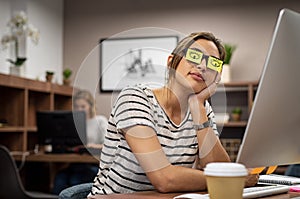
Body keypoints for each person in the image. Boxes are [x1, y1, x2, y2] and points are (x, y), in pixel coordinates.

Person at [88, 32, 258, 197]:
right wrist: (236, 179)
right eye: (195, 55)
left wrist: (198, 106)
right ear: (171, 62)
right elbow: (163, 178)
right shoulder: (135, 98)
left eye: (214, 64)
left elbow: (216, 167)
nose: (203, 66)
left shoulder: (202, 110)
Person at [52, 90, 108, 195]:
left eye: (83, 106)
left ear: (91, 106)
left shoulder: (100, 121)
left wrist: (92, 146)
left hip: (92, 164)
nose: (79, 109)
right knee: (60, 179)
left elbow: (108, 144)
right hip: (75, 163)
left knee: (75, 180)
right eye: (77, 106)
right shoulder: (72, 122)